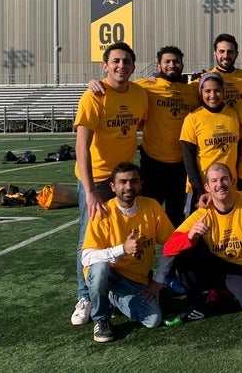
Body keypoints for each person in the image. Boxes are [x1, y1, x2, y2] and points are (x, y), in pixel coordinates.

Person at [72, 42, 149, 326]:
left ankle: (111, 290)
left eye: (127, 61)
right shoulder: (93, 96)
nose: (121, 66)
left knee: (121, 233)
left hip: (124, 177)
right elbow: (81, 147)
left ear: (133, 66)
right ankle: (85, 296)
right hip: (97, 178)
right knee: (88, 236)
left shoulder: (141, 93)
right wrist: (90, 191)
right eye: (115, 61)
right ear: (105, 66)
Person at [88, 46, 199, 227]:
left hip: (180, 166)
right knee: (145, 217)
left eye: (176, 62)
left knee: (176, 219)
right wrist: (93, 82)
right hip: (152, 164)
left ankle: (174, 256)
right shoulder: (145, 86)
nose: (172, 65)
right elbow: (116, 85)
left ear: (182, 65)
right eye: (167, 61)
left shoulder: (192, 92)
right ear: (159, 65)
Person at [163, 162, 242, 329]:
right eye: (214, 181)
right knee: (186, 248)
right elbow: (169, 248)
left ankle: (227, 291)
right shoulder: (204, 213)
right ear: (207, 187)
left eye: (224, 179)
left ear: (233, 182)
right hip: (219, 267)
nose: (220, 185)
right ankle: (196, 306)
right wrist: (190, 237)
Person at [81, 162, 175, 342]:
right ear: (113, 186)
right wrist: (122, 249)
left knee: (153, 320)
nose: (128, 187)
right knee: (99, 269)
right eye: (122, 182)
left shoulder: (152, 206)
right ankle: (101, 319)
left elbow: (171, 245)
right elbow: (86, 257)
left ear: (140, 184)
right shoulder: (103, 212)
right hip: (108, 273)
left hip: (135, 280)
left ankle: (111, 297)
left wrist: (158, 281)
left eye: (133, 181)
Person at [180, 73, 240, 200]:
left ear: (223, 91)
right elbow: (189, 160)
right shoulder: (192, 119)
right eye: (208, 91)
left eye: (217, 90)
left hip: (229, 186)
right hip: (204, 189)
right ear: (201, 92)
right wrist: (200, 191)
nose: (212, 96)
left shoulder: (233, 114)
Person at [205, 33, 242, 108]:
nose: (226, 56)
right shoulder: (205, 79)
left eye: (230, 52)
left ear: (236, 54)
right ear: (215, 53)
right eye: (221, 51)